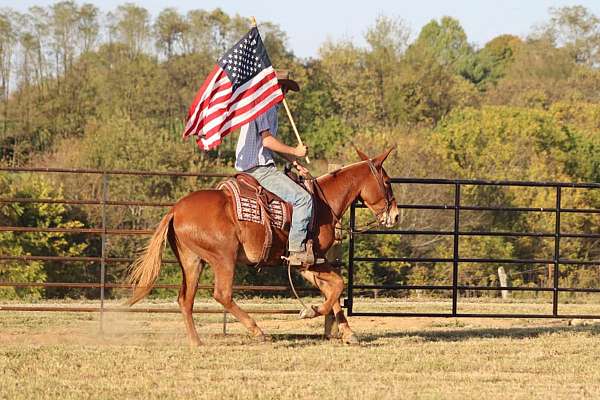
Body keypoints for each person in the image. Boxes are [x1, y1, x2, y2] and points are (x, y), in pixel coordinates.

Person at [235, 70, 314, 266]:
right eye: (282, 87)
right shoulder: (265, 106)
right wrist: (295, 152)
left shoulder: (262, 106)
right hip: (259, 168)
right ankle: (296, 250)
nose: (284, 93)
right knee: (304, 199)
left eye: (286, 89)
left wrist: (295, 161)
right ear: (272, 86)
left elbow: (269, 145)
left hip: (251, 166)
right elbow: (268, 142)